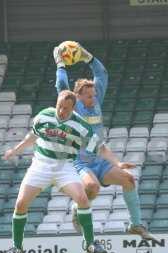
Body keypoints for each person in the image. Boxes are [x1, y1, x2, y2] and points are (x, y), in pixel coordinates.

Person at [53, 42, 157, 241]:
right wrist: (60, 63)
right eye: (90, 96)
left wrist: (88, 57)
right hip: (78, 161)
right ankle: (77, 208)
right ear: (78, 96)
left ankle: (136, 225)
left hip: (98, 157)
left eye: (95, 94)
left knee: (129, 180)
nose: (95, 98)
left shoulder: (96, 100)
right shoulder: (72, 107)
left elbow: (102, 74)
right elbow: (62, 87)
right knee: (93, 188)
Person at [4, 90, 111, 253]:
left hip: (65, 167)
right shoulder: (44, 116)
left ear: (73, 109)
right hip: (41, 165)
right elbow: (32, 136)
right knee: (20, 203)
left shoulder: (81, 125)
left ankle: (90, 243)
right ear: (57, 102)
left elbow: (97, 146)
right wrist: (15, 150)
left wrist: (110, 160)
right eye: (60, 106)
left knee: (82, 199)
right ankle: (16, 247)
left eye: (66, 109)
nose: (61, 111)